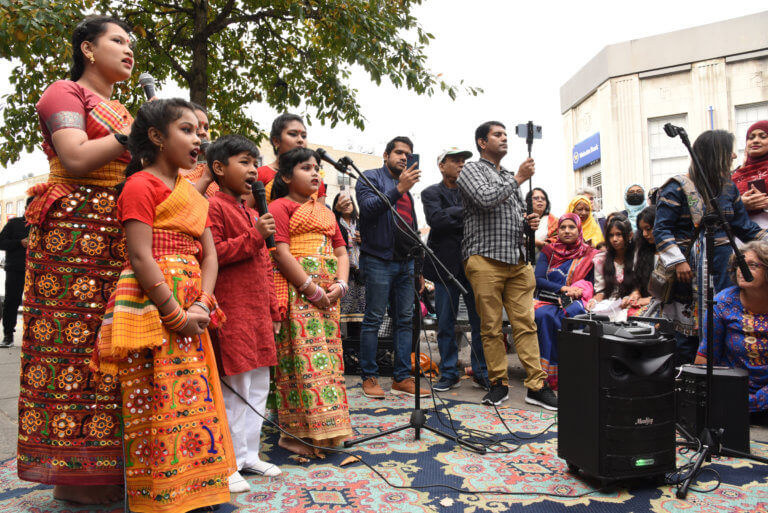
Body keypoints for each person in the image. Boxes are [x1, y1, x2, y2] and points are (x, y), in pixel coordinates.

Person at [93, 99, 235, 512]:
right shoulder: (140, 185)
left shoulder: (192, 193)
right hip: (152, 304)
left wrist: (203, 304)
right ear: (156, 137)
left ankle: (198, 487)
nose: (199, 139)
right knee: (154, 396)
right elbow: (139, 256)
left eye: (199, 131)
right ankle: (160, 497)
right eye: (187, 130)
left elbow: (208, 255)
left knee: (196, 396)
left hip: (193, 299)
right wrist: (174, 312)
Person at [17, 16, 134, 504]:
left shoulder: (124, 107)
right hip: (71, 238)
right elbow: (77, 156)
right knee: (71, 352)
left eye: (131, 43)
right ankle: (73, 477)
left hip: (119, 233)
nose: (129, 50)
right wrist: (140, 131)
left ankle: (111, 470)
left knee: (115, 346)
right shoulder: (63, 92)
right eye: (117, 41)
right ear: (87, 48)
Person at [458, 121, 557, 409]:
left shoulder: (509, 176)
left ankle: (536, 386)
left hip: (517, 260)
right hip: (484, 257)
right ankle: (498, 384)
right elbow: (485, 199)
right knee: (490, 327)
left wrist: (529, 223)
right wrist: (518, 179)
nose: (504, 139)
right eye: (497, 135)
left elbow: (513, 214)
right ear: (482, 142)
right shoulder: (470, 170)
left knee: (526, 325)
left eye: (505, 135)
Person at [206, 135, 282, 489]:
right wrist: (253, 235)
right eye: (244, 162)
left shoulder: (253, 211)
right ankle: (229, 461)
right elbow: (215, 254)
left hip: (257, 313)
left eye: (255, 162)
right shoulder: (213, 207)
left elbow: (265, 266)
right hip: (231, 309)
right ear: (219, 168)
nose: (253, 170)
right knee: (236, 385)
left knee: (259, 386)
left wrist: (274, 309)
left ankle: (250, 454)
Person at [654, 129, 768, 365]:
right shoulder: (676, 187)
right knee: (686, 339)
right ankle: (687, 388)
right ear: (715, 154)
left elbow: (744, 227)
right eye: (729, 152)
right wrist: (680, 262)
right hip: (685, 275)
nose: (734, 157)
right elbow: (661, 230)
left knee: (720, 330)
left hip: (722, 271)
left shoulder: (728, 188)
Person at [269, 147, 353, 455]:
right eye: (306, 168)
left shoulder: (327, 212)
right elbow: (280, 252)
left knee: (327, 364)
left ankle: (327, 431)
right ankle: (293, 435)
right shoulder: (280, 207)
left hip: (329, 299)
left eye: (317, 167)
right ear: (287, 176)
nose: (315, 173)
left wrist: (341, 285)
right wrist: (310, 289)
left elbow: (342, 251)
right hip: (298, 295)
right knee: (300, 364)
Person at [356, 136, 429, 399]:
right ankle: (369, 376)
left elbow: (411, 229)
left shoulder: (408, 190)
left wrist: (418, 268)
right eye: (398, 153)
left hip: (406, 262)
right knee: (374, 319)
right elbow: (368, 208)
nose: (403, 158)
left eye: (408, 155)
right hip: (378, 259)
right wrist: (398, 188)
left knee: (405, 321)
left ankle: (401, 378)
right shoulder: (370, 177)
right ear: (386, 155)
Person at [422, 147, 490, 392]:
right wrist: (464, 214)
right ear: (441, 165)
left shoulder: (473, 192)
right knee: (446, 323)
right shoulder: (430, 192)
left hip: (475, 264)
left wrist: (450, 214)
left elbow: (482, 220)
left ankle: (481, 372)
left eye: (463, 161)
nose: (461, 164)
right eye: (455, 160)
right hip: (444, 267)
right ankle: (449, 372)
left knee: (480, 322)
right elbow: (436, 221)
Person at [694, 241, 768, 422]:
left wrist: (758, 400)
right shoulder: (723, 303)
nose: (742, 269)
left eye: (752, 265)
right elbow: (706, 357)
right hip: (733, 394)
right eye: (739, 264)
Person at [534, 214, 597, 390]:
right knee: (542, 315)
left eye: (572, 227)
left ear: (579, 229)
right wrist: (563, 289)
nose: (567, 231)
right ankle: (548, 375)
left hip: (576, 299)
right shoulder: (549, 251)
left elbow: (591, 283)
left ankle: (572, 372)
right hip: (547, 298)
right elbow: (538, 279)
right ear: (558, 230)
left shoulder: (589, 253)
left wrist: (578, 291)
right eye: (563, 227)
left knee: (574, 314)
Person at [258, 113, 326, 202]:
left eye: (304, 136)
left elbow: (321, 214)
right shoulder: (260, 174)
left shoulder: (315, 179)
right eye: (293, 134)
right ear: (276, 141)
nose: (300, 140)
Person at [587, 214, 637, 321]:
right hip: (609, 305)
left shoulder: (637, 258)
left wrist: (629, 298)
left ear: (630, 235)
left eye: (619, 234)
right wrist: (594, 301)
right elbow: (601, 291)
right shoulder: (601, 260)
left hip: (632, 303)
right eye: (611, 235)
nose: (614, 239)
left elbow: (640, 289)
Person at [331, 191, 365, 336]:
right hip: (345, 274)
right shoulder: (334, 222)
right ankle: (346, 350)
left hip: (362, 274)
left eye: (349, 202)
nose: (346, 205)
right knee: (344, 314)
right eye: (342, 202)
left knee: (361, 315)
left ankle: (357, 351)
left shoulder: (362, 223)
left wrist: (364, 241)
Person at [0, 198, 31, 347]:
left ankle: (34, 336)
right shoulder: (14, 224)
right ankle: (8, 335)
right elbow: (1, 242)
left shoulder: (44, 226)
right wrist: (19, 243)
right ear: (26, 208)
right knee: (11, 301)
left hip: (38, 271)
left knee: (37, 304)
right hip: (15, 269)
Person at [731, 120, 768, 231]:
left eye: (763, 136)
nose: (755, 141)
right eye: (751, 138)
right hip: (738, 237)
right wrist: (740, 204)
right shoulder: (735, 175)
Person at [180, 102, 220, 197]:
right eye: (196, 127)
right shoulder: (165, 173)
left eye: (206, 128)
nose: (203, 132)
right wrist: (206, 178)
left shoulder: (213, 169)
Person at [627, 206, 658, 314]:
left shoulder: (671, 253)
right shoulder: (643, 251)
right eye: (642, 230)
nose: (645, 234)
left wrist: (650, 300)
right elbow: (640, 280)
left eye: (648, 229)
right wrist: (636, 292)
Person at [525, 187, 558, 259]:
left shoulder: (554, 221)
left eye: (543, 199)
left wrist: (537, 243)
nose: (540, 200)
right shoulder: (521, 218)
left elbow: (557, 244)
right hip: (521, 261)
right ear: (528, 201)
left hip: (545, 261)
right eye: (536, 198)